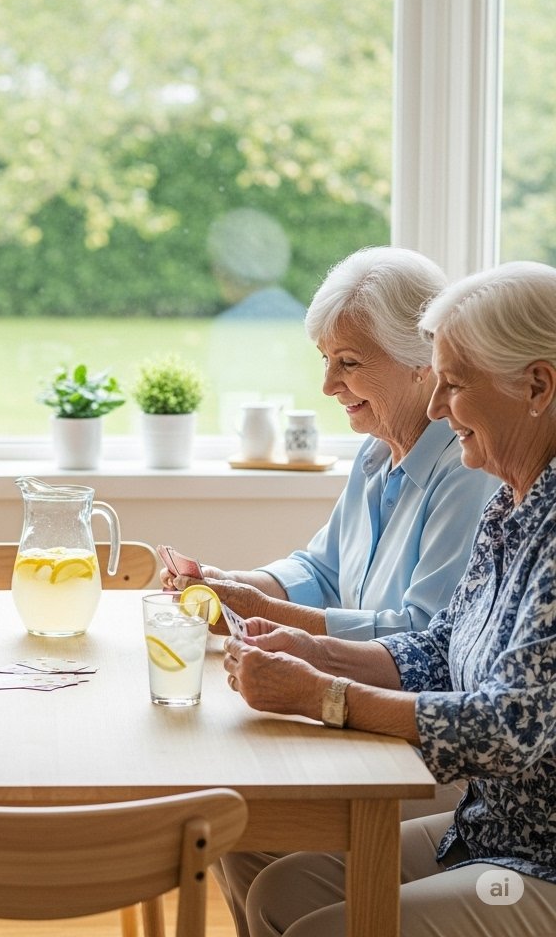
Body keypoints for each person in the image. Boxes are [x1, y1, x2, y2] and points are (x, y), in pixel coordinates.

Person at [222, 261, 556, 936]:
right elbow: (439, 644)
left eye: (454, 384)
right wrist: (312, 651)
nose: (436, 407)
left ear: (537, 386)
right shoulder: (511, 506)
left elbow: (509, 730)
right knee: (280, 891)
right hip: (491, 827)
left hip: (540, 857)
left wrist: (324, 695)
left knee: (316, 928)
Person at [164, 246, 499, 639]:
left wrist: (262, 611)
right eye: (325, 358)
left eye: (349, 362)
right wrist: (230, 584)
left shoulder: (467, 471)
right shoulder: (376, 452)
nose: (328, 385)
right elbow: (322, 573)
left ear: (421, 361)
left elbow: (423, 635)